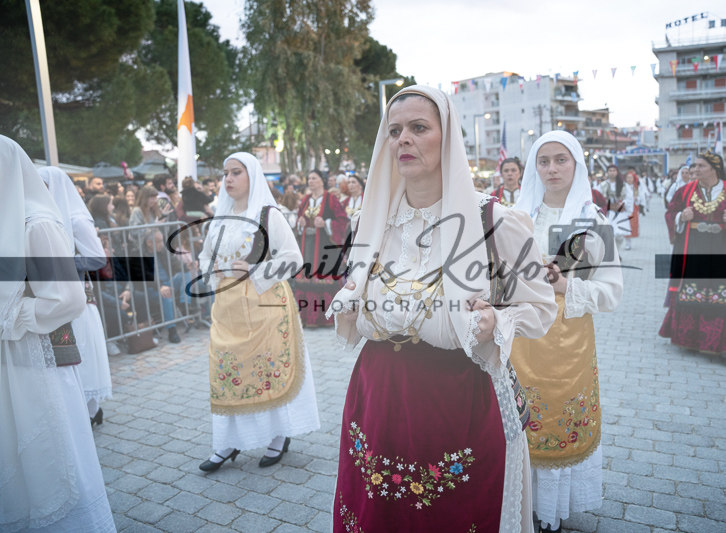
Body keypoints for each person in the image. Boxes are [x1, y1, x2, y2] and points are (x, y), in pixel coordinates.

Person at [327, 86, 557, 533]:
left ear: (447, 137)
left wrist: (498, 320)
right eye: (395, 130)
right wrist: (352, 299)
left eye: (419, 127)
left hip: (458, 398)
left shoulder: (495, 221)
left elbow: (541, 306)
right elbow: (360, 288)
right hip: (377, 396)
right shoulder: (370, 221)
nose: (404, 139)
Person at [0, 136, 115, 532]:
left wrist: (11, 317)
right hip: (10, 358)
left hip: (37, 354)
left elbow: (67, 299)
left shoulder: (37, 225)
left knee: (49, 443)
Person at [512, 130, 623, 533]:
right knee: (517, 415)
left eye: (561, 160)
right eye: (543, 161)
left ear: (577, 165)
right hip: (519, 337)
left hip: (568, 340)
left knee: (558, 417)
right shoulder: (517, 217)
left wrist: (563, 286)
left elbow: (611, 292)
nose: (552, 169)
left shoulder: (594, 223)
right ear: (533, 167)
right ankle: (516, 502)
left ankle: (550, 512)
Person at [197, 152, 319, 471]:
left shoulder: (268, 215)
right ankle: (228, 442)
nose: (228, 179)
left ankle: (279, 436)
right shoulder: (220, 218)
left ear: (252, 176)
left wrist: (254, 270)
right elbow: (204, 257)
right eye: (226, 173)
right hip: (227, 309)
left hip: (265, 306)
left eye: (236, 172)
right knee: (229, 371)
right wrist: (213, 270)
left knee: (266, 371)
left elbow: (293, 259)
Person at [39, 167, 113, 427]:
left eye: (44, 186)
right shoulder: (49, 217)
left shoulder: (77, 218)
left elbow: (97, 258)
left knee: (83, 352)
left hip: (79, 295)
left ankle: (91, 410)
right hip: (61, 293)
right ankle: (82, 409)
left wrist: (64, 263)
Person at [659, 150, 726, 355]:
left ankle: (721, 344)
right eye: (696, 165)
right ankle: (688, 339)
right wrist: (681, 217)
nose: (696, 169)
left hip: (721, 248)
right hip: (693, 247)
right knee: (692, 288)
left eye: (701, 166)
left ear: (714, 169)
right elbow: (670, 212)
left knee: (720, 291)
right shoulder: (685, 191)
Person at [294, 169, 349, 327]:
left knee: (324, 279)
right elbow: (299, 219)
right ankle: (308, 317)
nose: (310, 181)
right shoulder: (305, 200)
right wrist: (300, 224)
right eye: (309, 178)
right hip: (308, 245)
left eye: (314, 178)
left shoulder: (331, 199)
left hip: (325, 247)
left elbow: (343, 221)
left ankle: (326, 317)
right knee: (308, 278)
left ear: (322, 181)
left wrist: (326, 224)